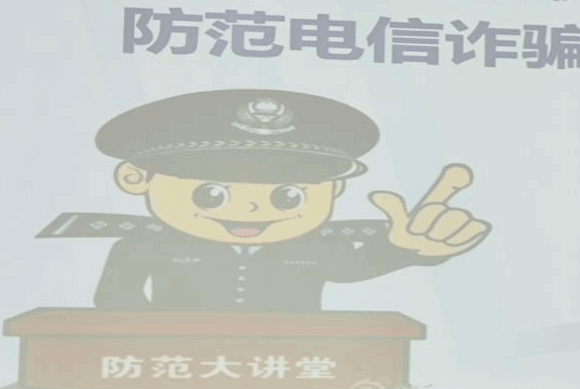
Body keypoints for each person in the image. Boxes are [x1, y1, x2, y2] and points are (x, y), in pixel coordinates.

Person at [85, 89, 489, 311]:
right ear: (136, 178)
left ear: (335, 189)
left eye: (289, 195)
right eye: (212, 193)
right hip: (179, 366)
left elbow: (355, 268)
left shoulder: (319, 244)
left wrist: (404, 249)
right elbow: (116, 299)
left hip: (297, 364)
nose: (251, 208)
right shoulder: (143, 245)